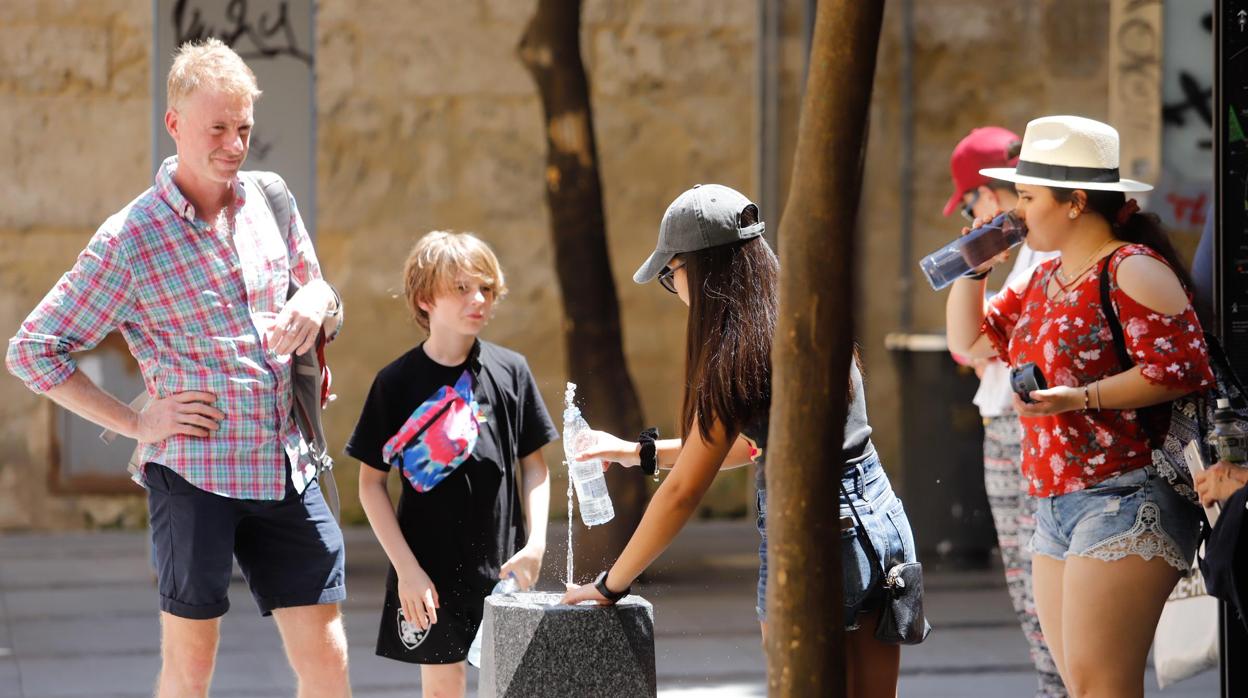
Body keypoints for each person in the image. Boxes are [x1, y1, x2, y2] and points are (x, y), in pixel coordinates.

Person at [4, 39, 348, 697]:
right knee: (192, 668)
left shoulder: (272, 200)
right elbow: (33, 350)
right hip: (196, 478)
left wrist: (315, 299)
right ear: (175, 125)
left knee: (328, 660)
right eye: (217, 128)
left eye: (243, 128)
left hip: (286, 466)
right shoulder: (130, 238)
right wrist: (136, 421)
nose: (233, 144)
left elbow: (323, 298)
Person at [560, 184, 916, 696]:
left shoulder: (736, 356)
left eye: (670, 273)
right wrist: (634, 451)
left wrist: (610, 584)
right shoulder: (805, 321)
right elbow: (750, 445)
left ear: (699, 270)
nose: (673, 286)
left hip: (817, 534)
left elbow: (683, 492)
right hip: (879, 521)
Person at [946, 115, 1214, 697]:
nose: (1015, 212)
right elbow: (967, 346)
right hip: (1054, 502)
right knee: (1078, 685)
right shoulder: (1043, 277)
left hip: (1127, 495)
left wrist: (1082, 397)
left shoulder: (1132, 268)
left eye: (1027, 196)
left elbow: (1182, 371)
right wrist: (973, 268)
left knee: (1100, 687)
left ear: (1075, 202)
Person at [348, 231, 557, 698]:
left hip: (504, 570)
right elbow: (370, 486)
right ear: (425, 299)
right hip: (427, 574)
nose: (478, 299)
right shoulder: (395, 383)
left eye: (485, 287)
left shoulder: (511, 371)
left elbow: (535, 468)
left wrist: (538, 543)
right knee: (443, 690)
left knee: (514, 687)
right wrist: (407, 570)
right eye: (461, 288)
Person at [943, 126, 1065, 697]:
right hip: (1008, 425)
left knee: (1046, 594)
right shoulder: (1019, 253)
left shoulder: (1044, 249)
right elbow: (972, 341)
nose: (969, 214)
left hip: (1031, 427)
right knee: (1029, 591)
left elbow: (983, 344)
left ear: (992, 192)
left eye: (969, 200)